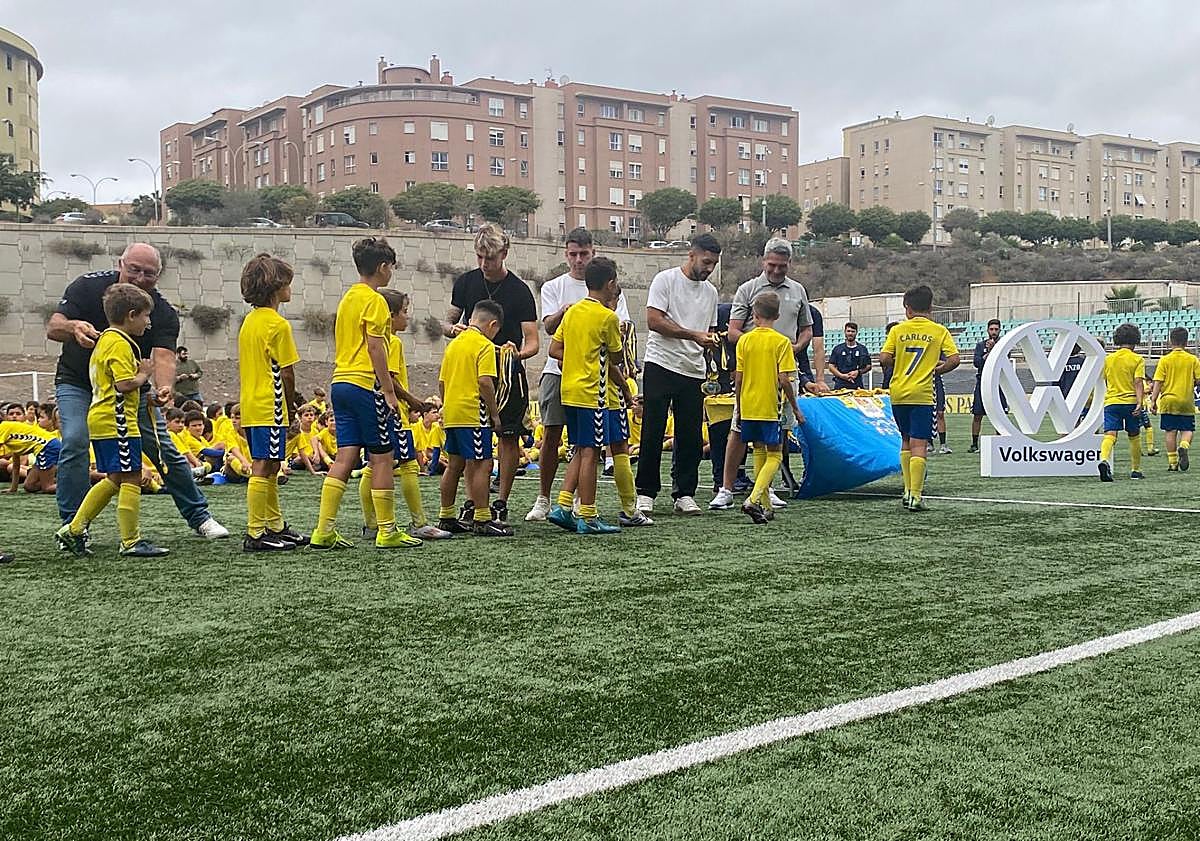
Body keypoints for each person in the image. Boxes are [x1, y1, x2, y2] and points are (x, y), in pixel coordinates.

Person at [46, 242, 229, 539]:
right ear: (120, 264)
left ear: (158, 276)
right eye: (134, 269)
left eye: (149, 273)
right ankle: (73, 524)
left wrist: (165, 387)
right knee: (76, 440)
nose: (140, 277)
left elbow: (164, 356)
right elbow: (54, 325)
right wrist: (74, 327)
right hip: (78, 382)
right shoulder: (87, 287)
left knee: (163, 448)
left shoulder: (161, 311)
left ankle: (199, 516)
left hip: (131, 395)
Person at [311, 236, 413, 550]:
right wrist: (389, 390)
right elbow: (375, 347)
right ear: (382, 267)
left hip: (340, 383)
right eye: (391, 267)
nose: (391, 272)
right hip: (365, 384)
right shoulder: (376, 301)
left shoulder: (348, 298)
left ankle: (323, 530)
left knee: (345, 456)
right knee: (382, 458)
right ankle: (387, 530)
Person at [525, 228, 631, 522]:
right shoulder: (555, 288)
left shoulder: (604, 302)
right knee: (571, 442)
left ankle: (567, 504)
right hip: (581, 383)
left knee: (585, 446)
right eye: (573, 254)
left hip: (587, 380)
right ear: (566, 254)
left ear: (592, 253)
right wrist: (565, 316)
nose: (578, 259)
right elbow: (551, 330)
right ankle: (576, 509)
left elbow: (620, 326)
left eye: (584, 254)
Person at [55, 283, 168, 557]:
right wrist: (144, 373)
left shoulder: (106, 340)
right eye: (145, 316)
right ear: (131, 315)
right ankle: (130, 541)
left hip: (104, 418)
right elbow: (123, 384)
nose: (148, 322)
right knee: (132, 476)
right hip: (117, 421)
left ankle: (74, 529)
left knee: (115, 477)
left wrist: (149, 397)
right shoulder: (119, 343)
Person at [445, 225, 538, 526]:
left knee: (508, 437)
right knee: (472, 445)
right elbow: (446, 323)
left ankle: (500, 502)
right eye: (480, 257)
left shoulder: (520, 291)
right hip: (473, 372)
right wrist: (453, 329)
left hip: (508, 375)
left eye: (491, 258)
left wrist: (515, 353)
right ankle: (473, 502)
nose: (484, 264)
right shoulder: (466, 282)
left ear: (504, 254)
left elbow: (533, 342)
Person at [711, 239, 814, 510]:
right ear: (763, 261)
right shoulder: (747, 289)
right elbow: (732, 331)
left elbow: (807, 329)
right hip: (755, 374)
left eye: (782, 266)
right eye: (772, 265)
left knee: (779, 430)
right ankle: (726, 488)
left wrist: (796, 347)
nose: (776, 270)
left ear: (789, 264)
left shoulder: (798, 290)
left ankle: (765, 489)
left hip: (783, 370)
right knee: (738, 430)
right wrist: (761, 345)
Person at [546, 257, 636, 534]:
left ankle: (563, 505)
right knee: (591, 453)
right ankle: (588, 514)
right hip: (592, 393)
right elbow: (617, 357)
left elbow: (554, 349)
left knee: (581, 449)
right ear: (610, 284)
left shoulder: (572, 312)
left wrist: (577, 357)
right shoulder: (608, 317)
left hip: (569, 390)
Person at [635, 235, 722, 515]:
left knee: (691, 435)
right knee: (653, 430)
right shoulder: (665, 280)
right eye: (706, 262)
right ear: (691, 255)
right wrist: (693, 335)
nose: (709, 268)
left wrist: (711, 347)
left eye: (714, 264)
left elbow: (709, 330)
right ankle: (645, 492)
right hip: (660, 363)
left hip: (694, 369)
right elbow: (654, 320)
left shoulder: (711, 293)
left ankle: (684, 493)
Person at [363, 287, 449, 541]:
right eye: (404, 311)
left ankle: (371, 524)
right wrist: (412, 400)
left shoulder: (371, 339)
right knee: (409, 465)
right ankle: (419, 523)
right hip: (393, 411)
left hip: (376, 408)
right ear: (390, 315)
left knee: (374, 466)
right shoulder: (391, 341)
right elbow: (389, 378)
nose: (407, 316)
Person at [237, 253, 309, 552]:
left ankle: (274, 525)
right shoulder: (278, 325)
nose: (290, 288)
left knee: (271, 463)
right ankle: (256, 532)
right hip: (271, 404)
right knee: (264, 464)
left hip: (252, 402)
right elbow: (286, 372)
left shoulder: (249, 322)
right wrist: (291, 408)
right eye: (287, 283)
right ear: (276, 286)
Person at [879, 285, 960, 511]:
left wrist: (898, 365)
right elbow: (954, 359)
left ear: (908, 308)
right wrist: (937, 370)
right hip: (922, 394)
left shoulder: (898, 330)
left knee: (905, 440)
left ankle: (907, 491)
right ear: (931, 307)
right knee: (920, 444)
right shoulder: (939, 331)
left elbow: (884, 358)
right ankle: (916, 495)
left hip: (898, 393)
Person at [437, 300, 512, 537]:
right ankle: (482, 518)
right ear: (492, 325)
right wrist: (494, 413)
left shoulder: (454, 345)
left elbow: (442, 382)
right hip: (473, 413)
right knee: (483, 464)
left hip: (452, 413)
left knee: (454, 465)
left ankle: (446, 516)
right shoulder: (484, 345)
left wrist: (447, 406)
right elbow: (484, 382)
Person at [734, 291, 805, 524]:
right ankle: (753, 500)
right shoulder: (781, 342)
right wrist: (795, 408)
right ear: (777, 316)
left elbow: (738, 378)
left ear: (754, 316)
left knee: (758, 451)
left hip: (749, 405)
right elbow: (784, 379)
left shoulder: (744, 341)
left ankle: (766, 507)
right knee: (775, 454)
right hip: (770, 406)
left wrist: (739, 406)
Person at [1098, 323, 1145, 482]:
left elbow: (1105, 379)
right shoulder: (1137, 359)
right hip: (1130, 402)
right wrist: (1140, 402)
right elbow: (1138, 382)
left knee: (1110, 435)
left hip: (1112, 401)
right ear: (1136, 340)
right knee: (1134, 435)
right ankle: (1135, 470)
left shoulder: (1109, 359)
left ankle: (1104, 459)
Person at [1150, 327, 1200, 473]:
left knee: (1170, 431)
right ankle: (1183, 446)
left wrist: (1153, 400)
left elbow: (1158, 381)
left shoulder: (1165, 360)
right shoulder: (1193, 359)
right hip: (1186, 400)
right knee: (1187, 429)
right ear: (1186, 341)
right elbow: (1198, 380)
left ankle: (1172, 463)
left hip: (1168, 400)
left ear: (1170, 341)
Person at [969, 319, 1004, 453]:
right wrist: (988, 353)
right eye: (991, 329)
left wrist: (995, 349)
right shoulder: (980, 345)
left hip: (998, 383)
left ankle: (999, 443)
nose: (994, 332)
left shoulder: (1003, 345)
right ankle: (974, 444)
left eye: (996, 329)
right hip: (982, 383)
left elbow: (1004, 360)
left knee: (1000, 415)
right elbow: (977, 362)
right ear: (987, 330)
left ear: (1000, 330)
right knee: (977, 414)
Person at [827, 322, 872, 390]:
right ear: (845, 332)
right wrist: (842, 375)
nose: (850, 333)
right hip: (840, 385)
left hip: (857, 385)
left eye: (853, 331)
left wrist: (858, 372)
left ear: (856, 332)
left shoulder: (862, 349)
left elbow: (868, 366)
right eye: (848, 331)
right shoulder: (838, 349)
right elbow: (831, 366)